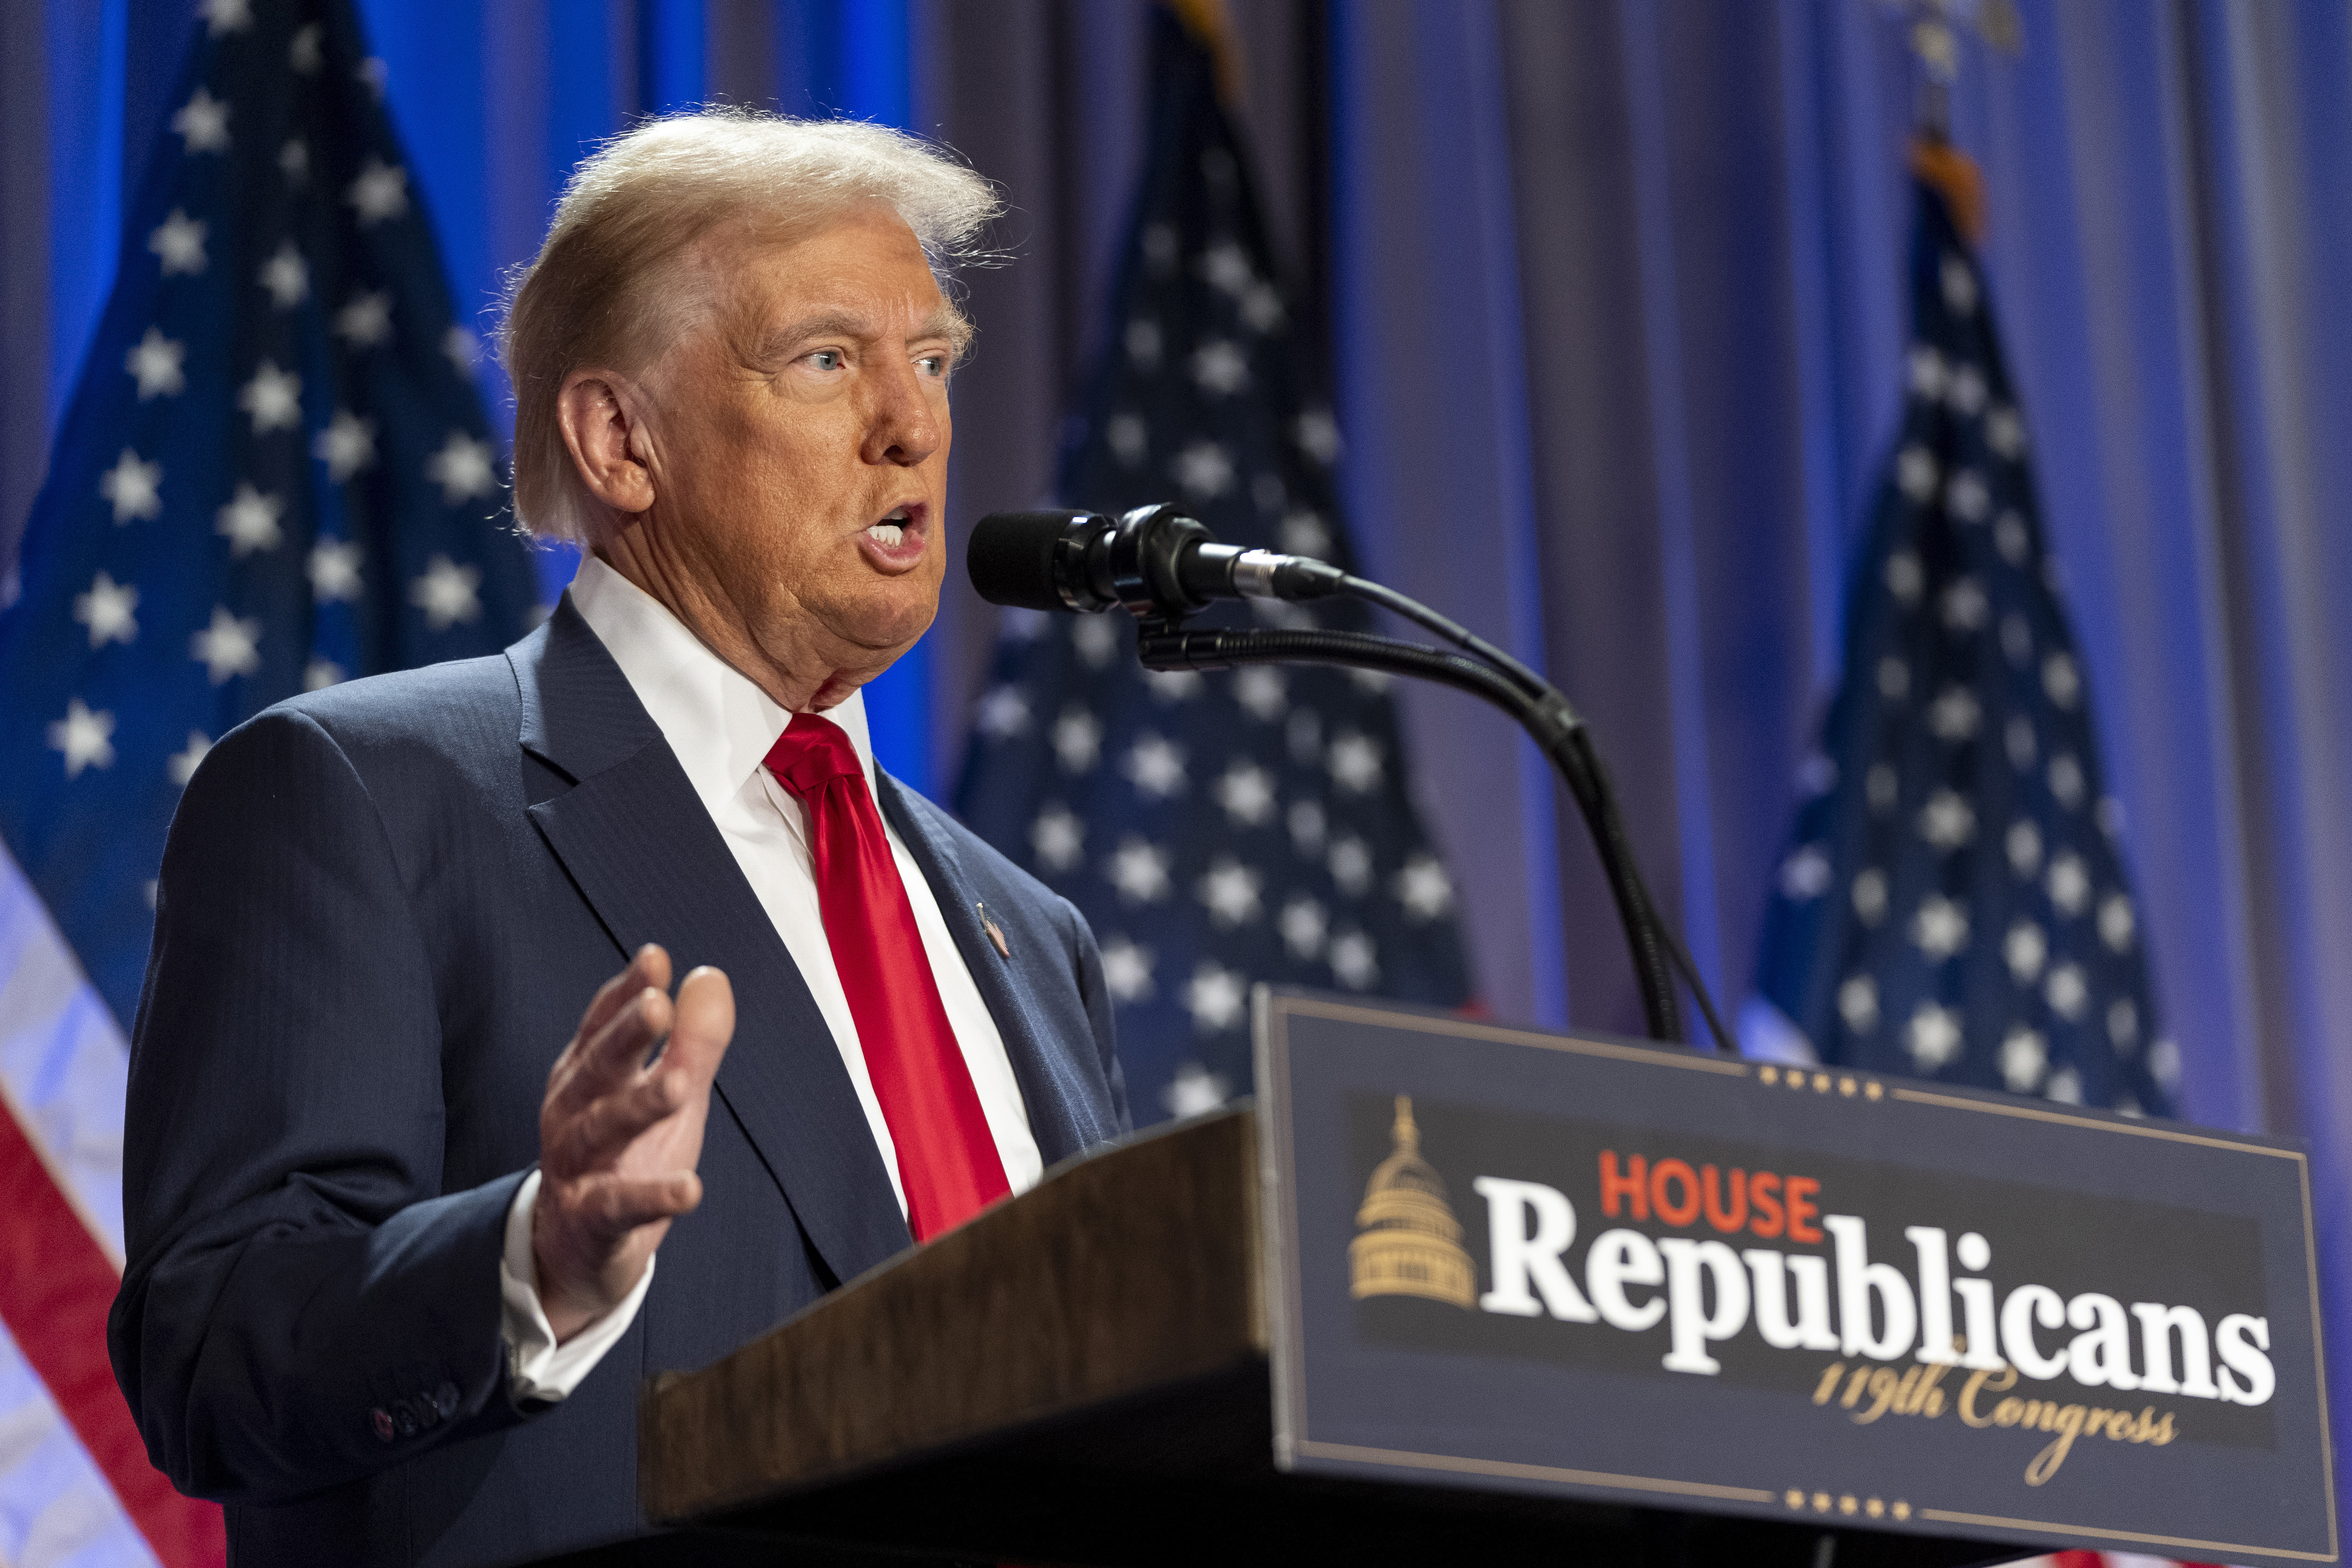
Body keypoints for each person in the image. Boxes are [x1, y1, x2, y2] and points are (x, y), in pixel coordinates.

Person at [108, 111, 1129, 1568]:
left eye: (937, 358)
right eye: (830, 359)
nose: (914, 424)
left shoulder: (1027, 930)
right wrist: (537, 1255)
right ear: (620, 439)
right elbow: (212, 1348)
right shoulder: (358, 794)